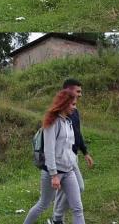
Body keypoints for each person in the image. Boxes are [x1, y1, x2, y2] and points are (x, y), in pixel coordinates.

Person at [23, 89, 85, 224]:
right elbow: (49, 150)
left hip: (68, 171)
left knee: (78, 208)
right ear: (64, 103)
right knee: (43, 204)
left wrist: (74, 163)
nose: (75, 107)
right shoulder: (52, 123)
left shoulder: (68, 122)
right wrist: (54, 175)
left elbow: (69, 148)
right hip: (53, 172)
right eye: (73, 104)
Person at [49, 78, 94, 224]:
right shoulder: (60, 113)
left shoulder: (75, 111)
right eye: (78, 91)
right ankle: (57, 217)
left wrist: (85, 152)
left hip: (72, 157)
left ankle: (57, 218)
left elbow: (77, 133)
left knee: (74, 188)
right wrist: (53, 171)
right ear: (67, 91)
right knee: (76, 188)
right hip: (61, 159)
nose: (80, 94)